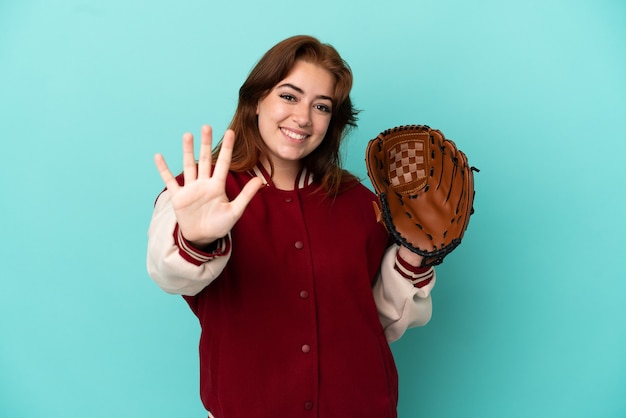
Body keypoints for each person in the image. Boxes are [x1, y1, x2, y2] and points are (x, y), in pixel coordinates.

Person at [146, 35, 436, 418]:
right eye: (289, 96)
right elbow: (170, 275)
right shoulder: (200, 192)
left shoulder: (362, 203)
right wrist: (196, 238)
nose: (303, 117)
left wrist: (414, 255)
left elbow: (381, 319)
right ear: (255, 100)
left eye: (321, 106)